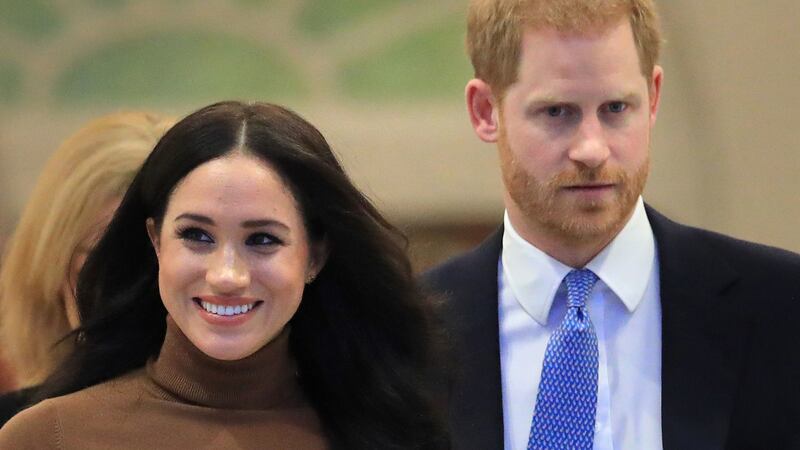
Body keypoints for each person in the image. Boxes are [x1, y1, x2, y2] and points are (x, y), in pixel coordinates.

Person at [423, 1, 800, 449]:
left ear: (654, 96)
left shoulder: (782, 307)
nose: (592, 149)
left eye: (616, 108)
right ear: (486, 111)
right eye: (557, 113)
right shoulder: (407, 331)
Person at [0, 101, 449, 449]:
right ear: (156, 244)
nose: (227, 274)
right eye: (196, 235)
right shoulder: (46, 437)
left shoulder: (390, 433)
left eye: (263, 240)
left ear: (314, 257)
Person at [0, 111, 174, 426]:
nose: (142, 289)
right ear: (53, 265)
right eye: (108, 263)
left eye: (159, 259)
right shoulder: (18, 432)